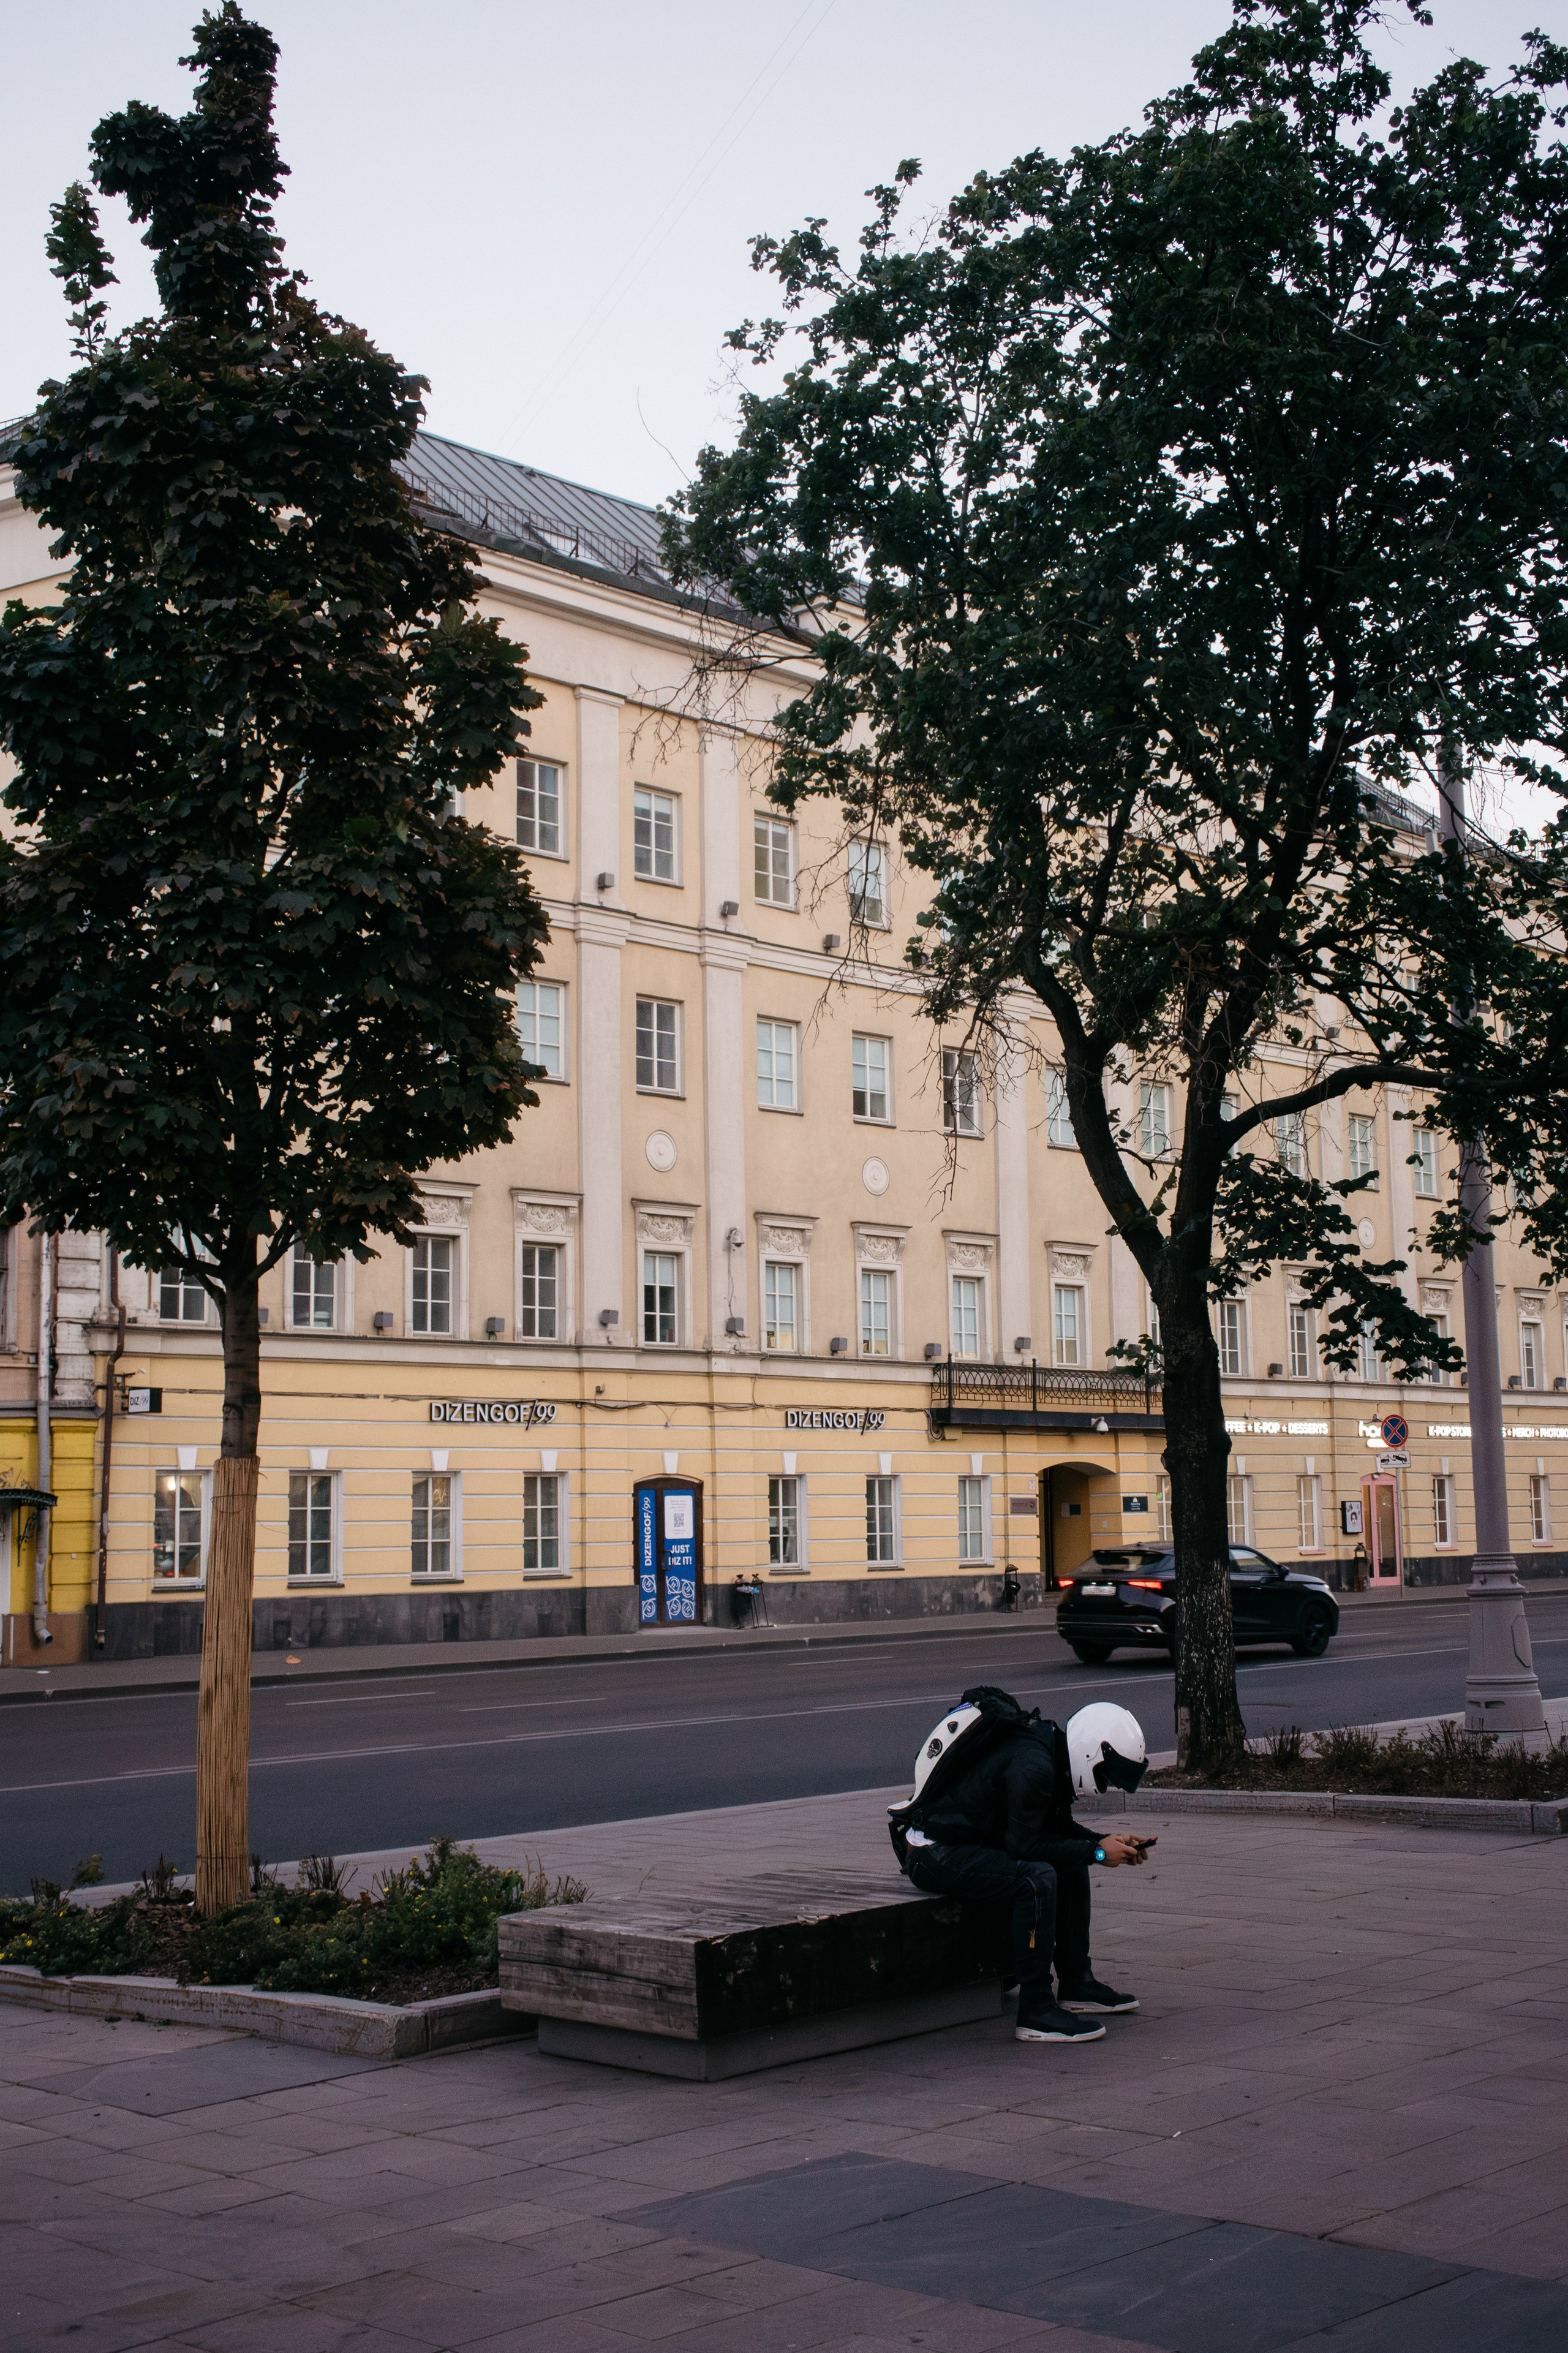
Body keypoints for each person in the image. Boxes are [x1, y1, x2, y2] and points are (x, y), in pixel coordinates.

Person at [900, 1699, 1152, 2044]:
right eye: (1105, 1776)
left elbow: (1053, 1830)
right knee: (1037, 1879)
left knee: (1071, 1861)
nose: (1104, 1786)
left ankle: (1077, 1983)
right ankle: (1036, 2009)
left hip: (967, 1845)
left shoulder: (1049, 1753)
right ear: (1093, 1751)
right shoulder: (1034, 1764)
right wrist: (1096, 1851)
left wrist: (1104, 1843)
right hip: (934, 1853)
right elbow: (1025, 1848)